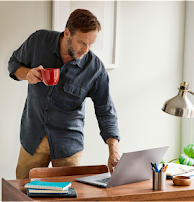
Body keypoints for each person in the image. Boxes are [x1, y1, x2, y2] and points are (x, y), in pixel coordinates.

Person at [8, 9, 121, 179]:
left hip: (68, 145)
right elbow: (13, 63)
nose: (86, 49)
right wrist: (27, 74)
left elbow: (105, 109)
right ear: (67, 33)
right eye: (82, 42)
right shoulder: (39, 41)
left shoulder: (94, 68)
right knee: (22, 193)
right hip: (33, 138)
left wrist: (114, 150)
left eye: (92, 44)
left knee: (66, 196)